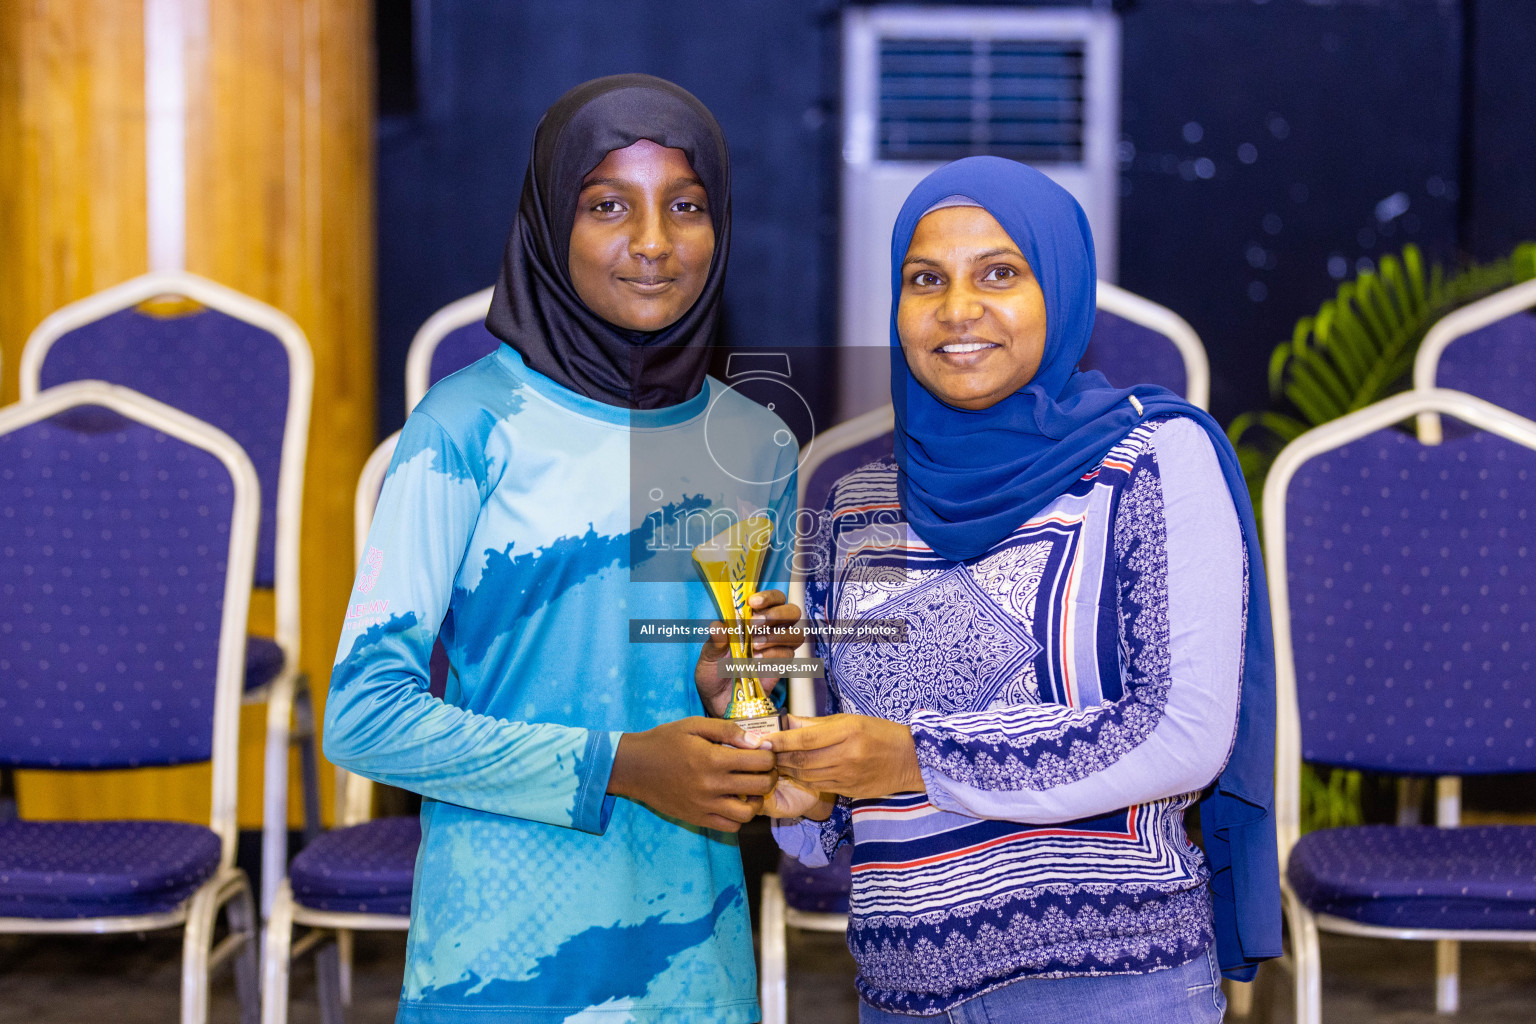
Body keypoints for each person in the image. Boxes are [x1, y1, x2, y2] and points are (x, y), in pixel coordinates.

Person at [325, 75, 802, 1024]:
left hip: (691, 963)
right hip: (499, 961)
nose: (655, 243)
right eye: (608, 206)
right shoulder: (467, 426)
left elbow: (752, 728)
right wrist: (619, 765)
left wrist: (735, 699)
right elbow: (363, 718)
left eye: (687, 206)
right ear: (550, 224)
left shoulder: (758, 447)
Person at [763, 156, 1281, 1022]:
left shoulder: (1154, 459)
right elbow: (867, 783)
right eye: (925, 279)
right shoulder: (852, 503)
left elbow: (1184, 732)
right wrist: (806, 798)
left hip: (1110, 983)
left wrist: (914, 758)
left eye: (999, 273)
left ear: (1064, 290)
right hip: (905, 989)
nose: (957, 309)